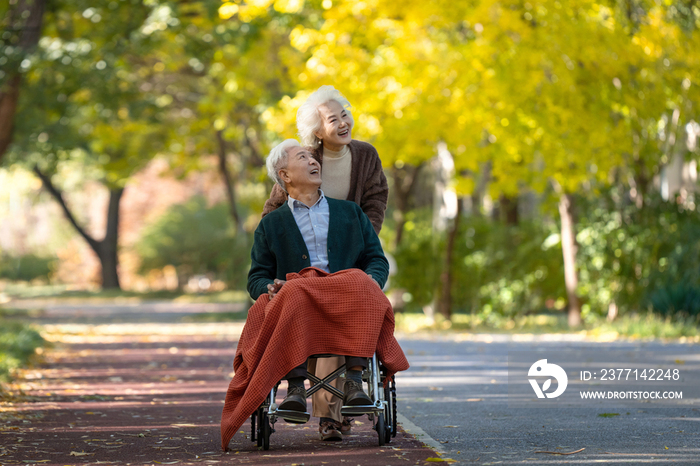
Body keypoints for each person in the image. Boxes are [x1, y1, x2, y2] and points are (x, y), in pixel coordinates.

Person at [262, 86, 388, 440]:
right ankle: (327, 412)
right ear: (317, 130)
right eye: (334, 119)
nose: (344, 122)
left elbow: (376, 197)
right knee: (306, 297)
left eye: (345, 114)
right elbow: (278, 202)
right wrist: (275, 235)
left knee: (354, 290)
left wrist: (362, 234)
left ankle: (345, 400)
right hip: (306, 257)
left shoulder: (365, 155)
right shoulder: (303, 158)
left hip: (351, 249)